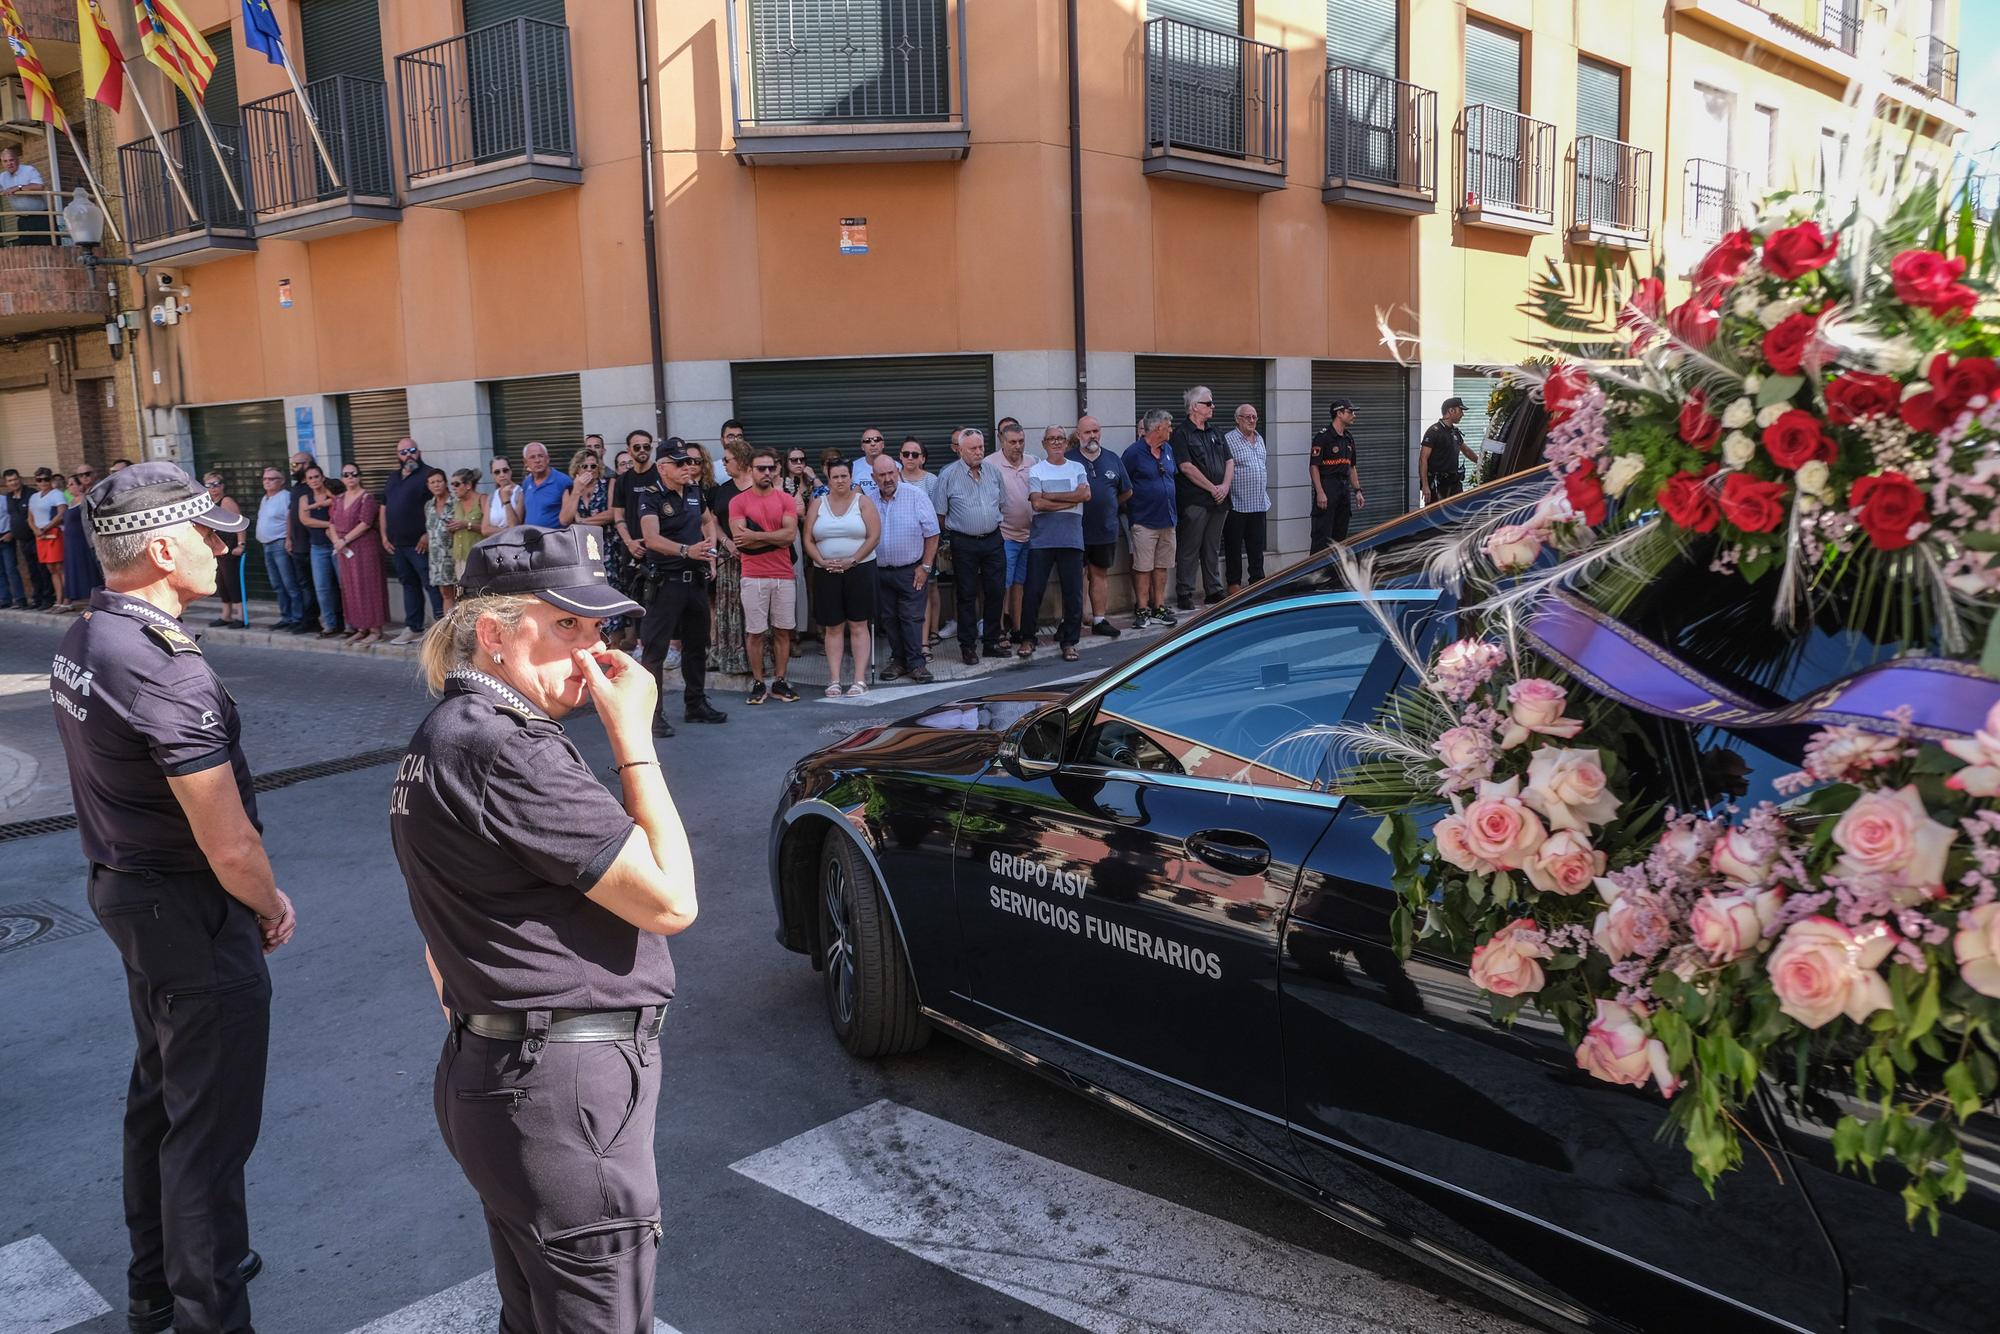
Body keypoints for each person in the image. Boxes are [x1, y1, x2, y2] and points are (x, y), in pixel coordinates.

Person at [389, 526, 692, 1333]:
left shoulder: (448, 732)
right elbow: (671, 901)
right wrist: (634, 739)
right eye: (566, 627)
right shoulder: (506, 747)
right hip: (565, 1094)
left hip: (504, 1074)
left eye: (598, 630)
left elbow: (439, 939)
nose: (591, 655)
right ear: (493, 635)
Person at [51, 462, 295, 1334]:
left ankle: (158, 1280)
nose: (223, 549)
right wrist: (267, 903)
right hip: (187, 911)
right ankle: (208, 1312)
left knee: (161, 1096)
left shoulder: (90, 636)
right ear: (161, 547)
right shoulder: (165, 669)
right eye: (208, 535)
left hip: (131, 895)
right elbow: (228, 841)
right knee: (209, 1133)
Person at [635, 439, 729, 735]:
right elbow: (651, 539)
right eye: (680, 463)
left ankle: (696, 704)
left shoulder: (693, 491)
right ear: (663, 468)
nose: (688, 467)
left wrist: (710, 553)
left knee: (696, 647)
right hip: (666, 583)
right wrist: (687, 551)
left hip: (695, 582)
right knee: (655, 651)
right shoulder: (650, 497)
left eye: (689, 462)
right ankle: (652, 716)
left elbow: (707, 520)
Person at [730, 447, 801, 704]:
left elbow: (790, 536)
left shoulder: (785, 499)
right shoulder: (738, 501)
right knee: (756, 632)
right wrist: (774, 538)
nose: (767, 472)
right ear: (750, 471)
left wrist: (756, 535)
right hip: (753, 575)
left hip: (783, 574)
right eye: (761, 468)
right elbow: (741, 542)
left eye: (771, 467)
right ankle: (759, 682)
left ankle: (780, 681)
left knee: (783, 631)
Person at [803, 459, 879, 696]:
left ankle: (859, 680)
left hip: (860, 569)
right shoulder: (818, 504)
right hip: (826, 571)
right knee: (833, 626)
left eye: (844, 476)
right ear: (828, 478)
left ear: (851, 477)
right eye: (835, 477)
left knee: (858, 624)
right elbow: (807, 539)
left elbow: (874, 536)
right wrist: (822, 561)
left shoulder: (862, 502)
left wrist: (853, 559)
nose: (840, 481)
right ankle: (834, 679)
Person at [933, 428, 1005, 665]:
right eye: (973, 448)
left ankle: (992, 642)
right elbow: (940, 515)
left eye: (981, 447)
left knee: (995, 590)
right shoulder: (948, 475)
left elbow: (1001, 504)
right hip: (964, 542)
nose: (978, 452)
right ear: (960, 450)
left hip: (993, 539)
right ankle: (968, 646)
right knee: (966, 594)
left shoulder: (993, 472)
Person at [1021, 427, 1090, 662]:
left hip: (1071, 539)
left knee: (1073, 594)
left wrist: (1049, 496)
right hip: (1042, 540)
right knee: (1033, 591)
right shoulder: (1036, 470)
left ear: (1066, 443)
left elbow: (1085, 496)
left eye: (1060, 438)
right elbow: (1037, 505)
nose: (1056, 442)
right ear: (1044, 443)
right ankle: (1028, 638)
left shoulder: (1077, 467)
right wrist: (1068, 500)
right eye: (1052, 439)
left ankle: (1069, 641)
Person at [869, 454, 939, 683]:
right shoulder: (868, 501)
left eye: (891, 473)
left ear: (897, 472)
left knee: (911, 618)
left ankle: (917, 663)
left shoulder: (916, 496)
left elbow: (932, 533)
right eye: (882, 475)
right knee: (889, 619)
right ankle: (898, 661)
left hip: (911, 570)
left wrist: (925, 567)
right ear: (873, 477)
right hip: (880, 572)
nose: (888, 479)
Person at [1172, 385, 1233, 610]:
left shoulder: (1216, 432)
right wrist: (1212, 488)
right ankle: (1185, 592)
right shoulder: (1181, 433)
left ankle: (1213, 590)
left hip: (1220, 499)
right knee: (1190, 546)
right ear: (1195, 407)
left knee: (1212, 546)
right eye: (1208, 403)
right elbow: (1186, 467)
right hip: (1196, 500)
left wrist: (1225, 486)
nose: (1212, 407)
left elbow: (1229, 460)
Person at [378, 439, 445, 646]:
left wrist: (427, 534)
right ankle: (413, 628)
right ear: (398, 455)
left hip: (420, 544)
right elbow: (383, 507)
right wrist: (384, 536)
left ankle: (439, 629)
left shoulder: (428, 475)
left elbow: (439, 504)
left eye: (412, 450)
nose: (408, 455)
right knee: (409, 585)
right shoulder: (393, 477)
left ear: (419, 452)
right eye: (403, 452)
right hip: (398, 545)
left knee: (431, 585)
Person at [1121, 409, 1179, 630]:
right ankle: (1142, 608)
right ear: (1157, 429)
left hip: (1167, 518)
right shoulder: (1134, 453)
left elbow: (1171, 475)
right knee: (1143, 566)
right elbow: (1123, 484)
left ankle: (1159, 607)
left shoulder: (1168, 449)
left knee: (1162, 565)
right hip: (1144, 520)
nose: (1171, 430)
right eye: (1168, 427)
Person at [1074, 414, 1130, 638]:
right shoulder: (1069, 460)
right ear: (1078, 435)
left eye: (1095, 431)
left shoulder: (1113, 458)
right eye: (1087, 432)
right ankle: (1074, 620)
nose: (1092, 436)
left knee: (1099, 574)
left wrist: (1108, 506)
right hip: (1075, 531)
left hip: (1105, 529)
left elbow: (1127, 490)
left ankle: (1099, 620)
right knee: (1076, 576)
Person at [560, 449, 625, 643]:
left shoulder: (608, 484)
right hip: (582, 551)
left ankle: (614, 643)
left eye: (593, 466)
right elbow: (565, 519)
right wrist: (577, 491)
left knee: (611, 591)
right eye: (585, 466)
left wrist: (583, 522)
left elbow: (612, 514)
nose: (590, 469)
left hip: (607, 548)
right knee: (588, 594)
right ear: (577, 469)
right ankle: (592, 639)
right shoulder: (571, 490)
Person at [702, 442, 750, 678]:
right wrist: (725, 542)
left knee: (751, 610)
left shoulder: (759, 487)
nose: (724, 463)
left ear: (741, 460)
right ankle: (731, 658)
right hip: (728, 557)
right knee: (728, 609)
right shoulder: (723, 489)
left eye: (728, 459)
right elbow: (713, 520)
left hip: (754, 558)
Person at [331, 464, 388, 648]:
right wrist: (336, 542)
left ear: (359, 477)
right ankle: (361, 628)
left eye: (354, 474)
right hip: (345, 550)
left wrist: (344, 540)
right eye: (346, 474)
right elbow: (331, 523)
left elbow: (365, 523)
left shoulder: (367, 498)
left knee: (368, 586)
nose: (350, 477)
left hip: (364, 547)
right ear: (342, 478)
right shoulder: (338, 499)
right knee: (350, 587)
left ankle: (375, 630)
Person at [992, 421, 1034, 642]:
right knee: (1002, 586)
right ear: (1002, 441)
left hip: (1030, 536)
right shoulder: (990, 464)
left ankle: (1017, 628)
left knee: (1020, 585)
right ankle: (999, 629)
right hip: (1004, 536)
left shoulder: (1033, 462)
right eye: (1013, 442)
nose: (1018, 446)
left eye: (1021, 442)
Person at [1222, 404, 1271, 595]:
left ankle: (1257, 580)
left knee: (1256, 546)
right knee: (1233, 546)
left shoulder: (1259, 439)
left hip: (1259, 502)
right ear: (1238, 419)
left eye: (1254, 417)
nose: (1252, 421)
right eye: (1247, 417)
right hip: (1237, 503)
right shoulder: (1228, 439)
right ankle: (1234, 583)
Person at [255, 464, 307, 630]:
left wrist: (289, 539)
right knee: (277, 585)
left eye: (272, 479)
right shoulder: (265, 498)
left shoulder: (285, 496)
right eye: (265, 479)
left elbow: (289, 519)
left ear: (282, 481)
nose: (267, 482)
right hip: (266, 545)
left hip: (279, 543)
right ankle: (286, 616)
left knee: (290, 584)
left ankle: (297, 618)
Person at [1310, 399, 1365, 548]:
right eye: (1350, 412)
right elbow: (1314, 466)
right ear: (1339, 413)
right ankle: (1317, 571)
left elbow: (1352, 467)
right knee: (1322, 536)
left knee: (1340, 538)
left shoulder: (1348, 438)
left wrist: (1357, 491)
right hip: (1328, 487)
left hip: (1343, 488)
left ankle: (1335, 570)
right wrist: (1320, 492)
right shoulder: (1323, 437)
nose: (1354, 415)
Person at [298, 463, 346, 637]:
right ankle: (330, 625)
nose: (314, 480)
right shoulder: (304, 498)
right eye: (310, 478)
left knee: (344, 586)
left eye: (316, 477)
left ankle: (350, 624)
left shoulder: (331, 495)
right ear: (306, 480)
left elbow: (340, 507)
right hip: (317, 547)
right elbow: (306, 520)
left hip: (337, 546)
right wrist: (331, 524)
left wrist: (332, 526)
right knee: (322, 588)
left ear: (322, 477)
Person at [286, 453, 325, 633]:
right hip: (297, 545)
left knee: (318, 586)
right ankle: (306, 619)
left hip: (315, 545)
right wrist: (288, 537)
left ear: (308, 464)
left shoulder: (318, 485)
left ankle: (315, 620)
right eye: (292, 464)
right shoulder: (296, 488)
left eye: (297, 464)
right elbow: (290, 514)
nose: (293, 467)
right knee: (303, 585)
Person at [201, 473, 244, 626]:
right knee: (222, 582)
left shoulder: (227, 502)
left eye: (216, 484)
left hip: (230, 547)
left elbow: (240, 523)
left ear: (223, 485)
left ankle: (240, 615)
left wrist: (241, 544)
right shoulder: (210, 503)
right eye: (209, 485)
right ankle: (226, 615)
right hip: (217, 548)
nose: (213, 488)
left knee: (232, 581)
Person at [1421, 397, 1479, 504]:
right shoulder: (1434, 432)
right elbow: (1423, 459)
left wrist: (1482, 463)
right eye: (1460, 411)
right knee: (1438, 517)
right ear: (1451, 411)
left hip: (1454, 484)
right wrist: (1425, 486)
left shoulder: (1454, 432)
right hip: (1438, 485)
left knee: (1458, 514)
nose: (1462, 415)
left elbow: (1466, 451)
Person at [63, 464, 105, 610]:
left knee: (106, 574)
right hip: (91, 542)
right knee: (102, 574)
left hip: (102, 540)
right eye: (81, 475)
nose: (85, 477)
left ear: (95, 473)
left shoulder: (100, 489)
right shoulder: (88, 492)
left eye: (88, 473)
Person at [29, 467, 67, 611]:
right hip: (40, 536)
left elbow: (61, 513)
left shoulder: (56, 494)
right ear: (36, 482)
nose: (43, 482)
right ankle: (57, 600)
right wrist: (36, 530)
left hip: (53, 533)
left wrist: (46, 527)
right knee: (51, 569)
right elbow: (30, 518)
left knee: (59, 567)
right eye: (39, 480)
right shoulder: (34, 497)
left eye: (46, 479)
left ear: (51, 480)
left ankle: (65, 600)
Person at [423, 470, 460, 612]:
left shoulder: (456, 502)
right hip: (437, 559)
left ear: (445, 483)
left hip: (454, 555)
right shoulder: (428, 506)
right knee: (445, 594)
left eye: (439, 481)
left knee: (459, 593)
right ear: (428, 486)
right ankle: (449, 629)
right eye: (432, 482)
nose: (436, 485)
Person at [0, 142, 50, 246]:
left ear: (17, 160)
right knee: (26, 250)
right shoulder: (2, 177)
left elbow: (39, 186)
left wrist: (18, 188)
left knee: (46, 249)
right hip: (22, 219)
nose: (9, 163)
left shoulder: (28, 170)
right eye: (5, 161)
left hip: (40, 217)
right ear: (2, 163)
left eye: (11, 160)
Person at [518, 442, 570, 528]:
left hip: (554, 538)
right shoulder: (526, 483)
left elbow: (568, 518)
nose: (537, 460)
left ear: (547, 459)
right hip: (530, 538)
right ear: (525, 462)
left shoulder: (563, 481)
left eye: (540, 456)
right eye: (532, 457)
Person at [0, 467, 25, 608]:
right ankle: (5, 599)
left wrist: (11, 533)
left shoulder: (4, 499)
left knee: (11, 569)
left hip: (6, 537)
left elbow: (12, 517)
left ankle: (20, 599)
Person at [482, 457, 523, 536]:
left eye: (505, 470)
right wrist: (506, 530)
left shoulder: (520, 493)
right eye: (497, 472)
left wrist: (507, 501)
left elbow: (515, 527)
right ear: (492, 475)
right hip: (495, 545)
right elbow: (485, 529)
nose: (502, 475)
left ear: (510, 471)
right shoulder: (492, 496)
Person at [852, 426, 889, 497]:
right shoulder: (853, 468)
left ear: (883, 444)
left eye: (877, 440)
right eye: (867, 441)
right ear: (862, 446)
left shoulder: (895, 466)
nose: (873, 444)